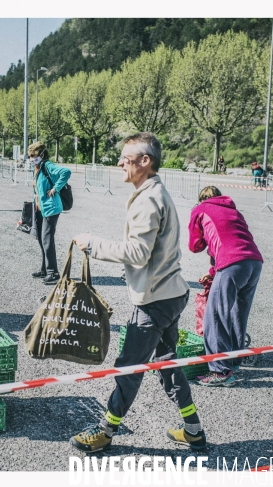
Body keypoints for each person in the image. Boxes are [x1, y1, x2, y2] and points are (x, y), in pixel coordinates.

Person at [71, 132, 205, 453]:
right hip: (169, 294)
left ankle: (105, 431)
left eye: (125, 158)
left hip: (155, 301)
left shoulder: (148, 199)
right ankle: (194, 430)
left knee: (129, 367)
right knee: (167, 363)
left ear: (145, 162)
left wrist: (93, 244)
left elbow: (137, 253)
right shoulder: (154, 192)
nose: (119, 163)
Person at [188, 186, 263, 386]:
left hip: (231, 264)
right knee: (238, 314)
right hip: (254, 263)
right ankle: (234, 359)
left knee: (215, 317)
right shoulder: (234, 211)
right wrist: (213, 272)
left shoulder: (201, 209)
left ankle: (221, 371)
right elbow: (232, 240)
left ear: (201, 199)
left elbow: (194, 245)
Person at [29, 141, 71, 285]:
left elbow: (66, 172)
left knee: (47, 240)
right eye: (29, 156)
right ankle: (45, 269)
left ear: (42, 154)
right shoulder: (37, 167)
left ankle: (53, 272)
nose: (31, 158)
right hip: (40, 208)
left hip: (51, 208)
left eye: (33, 155)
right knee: (41, 239)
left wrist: (56, 188)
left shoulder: (47, 165)